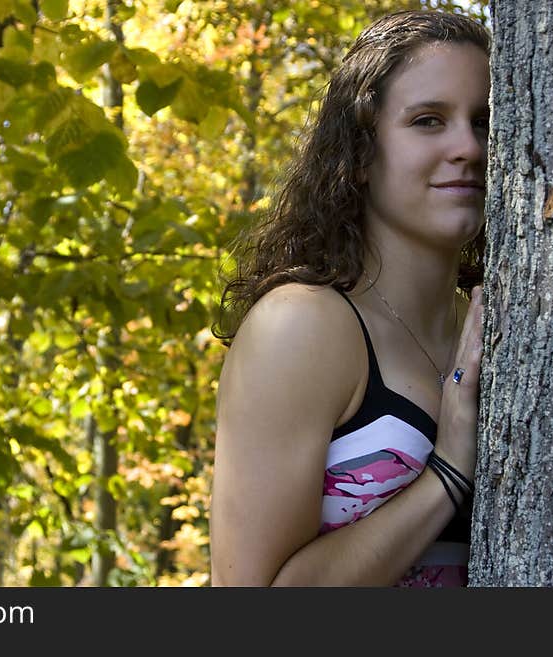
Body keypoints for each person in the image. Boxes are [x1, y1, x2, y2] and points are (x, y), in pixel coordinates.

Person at [209, 10, 489, 587]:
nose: (468, 146)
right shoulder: (302, 327)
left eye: (484, 122)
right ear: (360, 154)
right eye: (429, 120)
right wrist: (449, 473)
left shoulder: (499, 326)